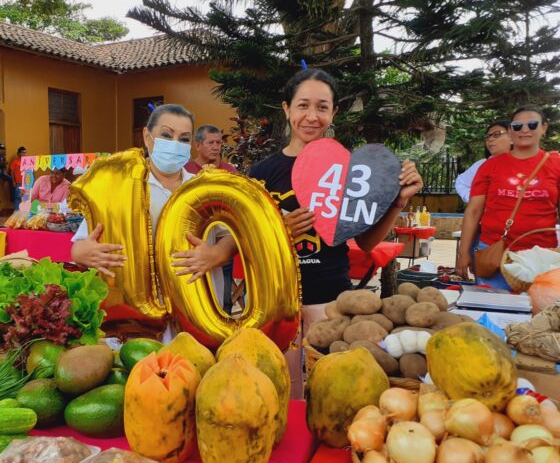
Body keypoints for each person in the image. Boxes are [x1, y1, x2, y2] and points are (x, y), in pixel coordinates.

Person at [249, 68, 423, 397]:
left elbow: (366, 241)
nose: (311, 116)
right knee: (279, 394)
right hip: (276, 303)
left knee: (331, 394)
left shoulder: (353, 171)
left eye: (322, 107)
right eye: (302, 106)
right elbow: (245, 240)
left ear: (334, 113)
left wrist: (398, 201)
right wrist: (278, 230)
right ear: (286, 109)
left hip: (332, 301)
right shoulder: (262, 172)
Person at [71, 104, 235, 297]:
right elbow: (80, 245)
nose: (175, 144)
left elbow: (230, 236)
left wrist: (216, 255)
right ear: (146, 136)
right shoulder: (121, 189)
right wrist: (82, 253)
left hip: (196, 306)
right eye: (166, 135)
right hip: (139, 310)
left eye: (183, 139)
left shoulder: (204, 188)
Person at [456, 106, 560, 288]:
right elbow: (473, 211)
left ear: (543, 128)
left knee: (538, 312)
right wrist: (463, 253)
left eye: (532, 124)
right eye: (518, 126)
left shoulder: (555, 164)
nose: (525, 130)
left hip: (542, 257)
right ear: (511, 131)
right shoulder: (490, 166)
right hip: (494, 253)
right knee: (492, 311)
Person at [185, 124, 239, 313]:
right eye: (211, 142)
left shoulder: (230, 171)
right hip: (194, 243)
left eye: (219, 142)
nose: (216, 146)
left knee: (223, 297)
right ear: (198, 145)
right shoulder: (185, 171)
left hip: (224, 241)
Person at [455, 121, 512, 203]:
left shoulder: (528, 162)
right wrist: (475, 200)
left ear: (513, 137)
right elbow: (461, 182)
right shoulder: (482, 165)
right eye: (488, 136)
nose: (490, 139)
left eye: (496, 134)